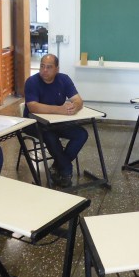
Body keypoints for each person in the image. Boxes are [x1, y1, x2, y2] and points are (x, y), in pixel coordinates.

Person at [23, 54, 88, 188]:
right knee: (50, 135)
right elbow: (32, 106)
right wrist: (60, 110)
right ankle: (66, 170)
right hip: (33, 123)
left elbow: (78, 100)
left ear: (56, 69)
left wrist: (74, 107)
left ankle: (56, 167)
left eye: (49, 67)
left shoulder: (63, 79)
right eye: (42, 66)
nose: (44, 70)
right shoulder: (32, 81)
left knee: (81, 134)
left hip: (56, 122)